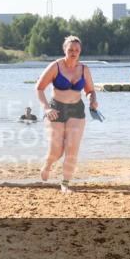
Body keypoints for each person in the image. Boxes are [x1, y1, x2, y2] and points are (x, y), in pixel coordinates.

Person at [35, 36, 98, 193]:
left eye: (76, 50)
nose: (73, 52)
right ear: (65, 50)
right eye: (70, 49)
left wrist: (92, 101)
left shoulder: (84, 69)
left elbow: (90, 90)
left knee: (72, 148)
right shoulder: (55, 66)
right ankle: (48, 164)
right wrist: (46, 108)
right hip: (56, 109)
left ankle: (65, 184)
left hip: (76, 110)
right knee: (56, 151)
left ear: (80, 51)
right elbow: (39, 88)